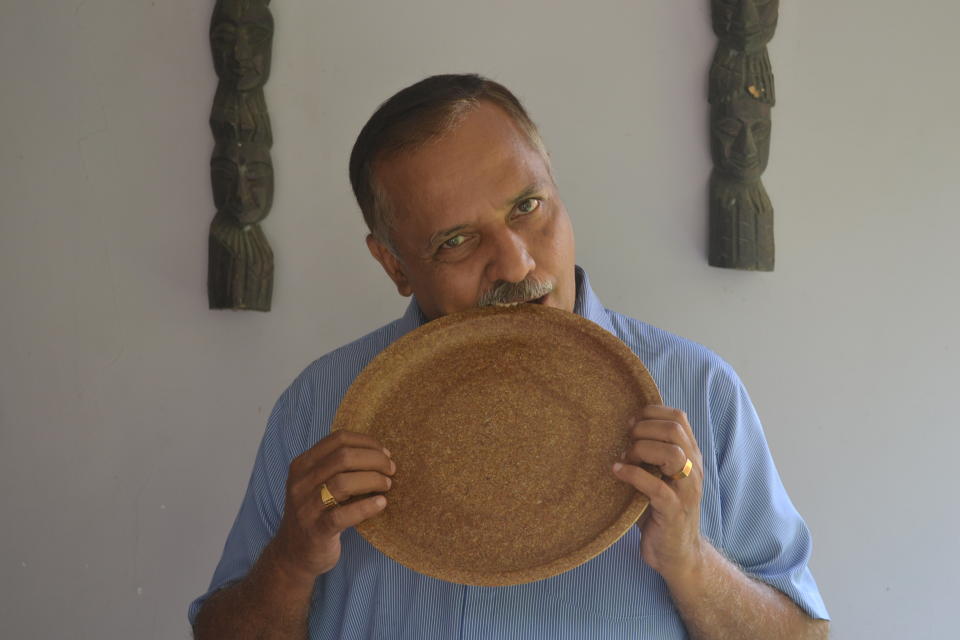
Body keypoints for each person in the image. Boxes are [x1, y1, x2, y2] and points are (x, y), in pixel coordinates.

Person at [190, 74, 830, 639]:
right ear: (393, 264)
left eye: (528, 207)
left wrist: (690, 563)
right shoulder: (318, 408)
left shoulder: (701, 391)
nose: (518, 264)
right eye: (457, 240)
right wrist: (291, 562)